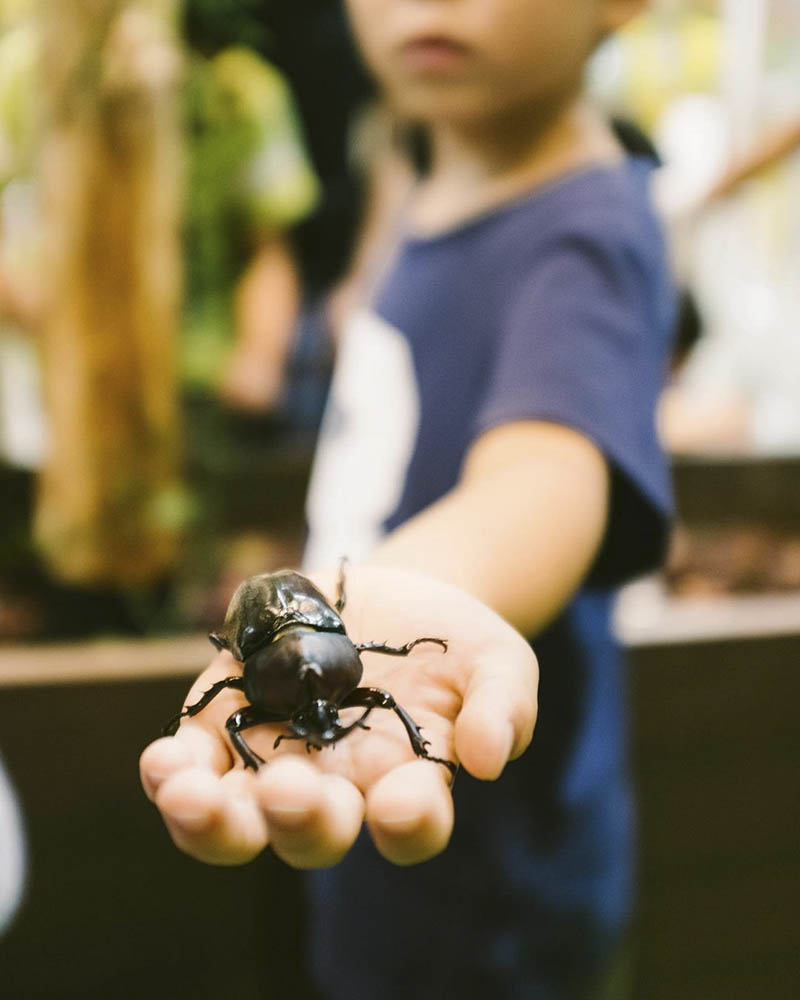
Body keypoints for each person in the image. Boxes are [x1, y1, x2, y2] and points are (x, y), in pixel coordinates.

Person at [141, 0, 675, 996]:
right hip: (373, 841)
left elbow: (546, 475)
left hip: (500, 885)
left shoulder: (584, 238)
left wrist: (417, 583)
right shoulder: (429, 171)